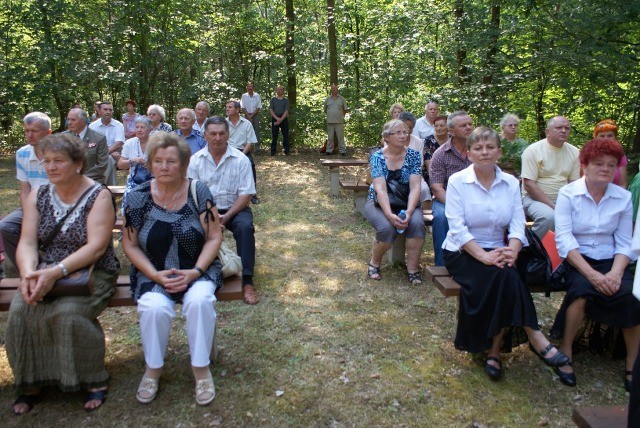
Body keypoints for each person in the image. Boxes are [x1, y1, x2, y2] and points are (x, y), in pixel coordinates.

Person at [443, 126, 569, 381]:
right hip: (461, 251)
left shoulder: (511, 182)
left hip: (499, 249)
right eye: (478, 148)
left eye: (490, 147)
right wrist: (485, 256)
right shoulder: (458, 182)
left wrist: (512, 250)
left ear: (499, 152)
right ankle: (532, 336)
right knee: (504, 275)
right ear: (469, 154)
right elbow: (457, 229)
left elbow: (516, 223)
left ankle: (495, 352)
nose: (484, 152)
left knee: (506, 272)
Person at [5, 133, 119, 414]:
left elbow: (96, 247)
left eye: (58, 161)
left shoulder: (99, 195)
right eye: (47, 161)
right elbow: (28, 241)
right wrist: (30, 273)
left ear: (78, 164)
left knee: (68, 313)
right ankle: (31, 382)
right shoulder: (38, 194)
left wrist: (56, 273)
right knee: (21, 311)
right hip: (46, 269)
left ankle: (93, 379)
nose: (51, 167)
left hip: (92, 272)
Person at [122, 132, 221, 406]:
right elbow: (129, 245)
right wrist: (154, 275)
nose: (164, 167)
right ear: (150, 164)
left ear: (183, 164)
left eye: (171, 161)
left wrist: (196, 272)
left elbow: (214, 237)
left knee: (200, 301)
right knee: (154, 308)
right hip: (153, 271)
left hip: (197, 269)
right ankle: (153, 369)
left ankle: (201, 370)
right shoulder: (137, 198)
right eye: (158, 161)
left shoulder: (198, 191)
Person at [549, 138, 640, 388]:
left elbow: (624, 242)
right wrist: (593, 275)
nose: (606, 169)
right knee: (580, 292)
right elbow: (565, 241)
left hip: (611, 261)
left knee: (632, 296)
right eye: (599, 163)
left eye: (612, 165)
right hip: (577, 260)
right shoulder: (568, 194)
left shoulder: (622, 197)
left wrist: (616, 273)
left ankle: (633, 363)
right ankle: (566, 350)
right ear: (584, 166)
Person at [188, 117, 259, 305]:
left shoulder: (241, 159)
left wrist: (226, 217)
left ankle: (247, 281)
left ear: (228, 135)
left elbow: (246, 195)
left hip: (234, 208)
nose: (217, 138)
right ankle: (197, 272)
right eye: (213, 133)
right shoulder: (195, 161)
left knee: (245, 227)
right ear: (205, 135)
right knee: (188, 228)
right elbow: (190, 193)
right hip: (203, 211)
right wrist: (208, 215)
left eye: (222, 133)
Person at [365, 119, 425, 284]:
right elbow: (381, 189)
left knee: (417, 224)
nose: (403, 135)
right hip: (379, 201)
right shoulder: (377, 157)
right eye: (398, 132)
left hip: (408, 201)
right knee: (386, 228)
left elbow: (415, 187)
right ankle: (374, 263)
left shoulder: (413, 155)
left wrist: (410, 212)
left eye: (405, 132)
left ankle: (413, 269)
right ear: (387, 137)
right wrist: (390, 215)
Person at [0, 112, 52, 270]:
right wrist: (30, 214)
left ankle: (52, 265)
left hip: (58, 206)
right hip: (32, 205)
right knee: (5, 226)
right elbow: (24, 189)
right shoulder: (22, 153)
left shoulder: (60, 153)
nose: (29, 135)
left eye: (34, 131)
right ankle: (28, 267)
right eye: (27, 131)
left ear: (48, 133)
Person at [521, 115, 579, 238]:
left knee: (581, 217)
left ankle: (566, 254)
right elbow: (529, 184)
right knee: (549, 217)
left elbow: (574, 184)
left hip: (563, 200)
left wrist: (567, 205)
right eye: (559, 127)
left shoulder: (575, 152)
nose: (563, 130)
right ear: (548, 131)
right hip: (532, 199)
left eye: (567, 128)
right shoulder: (533, 151)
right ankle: (530, 250)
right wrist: (554, 207)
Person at [428, 111, 473, 266]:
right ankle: (442, 265)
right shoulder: (440, 154)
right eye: (463, 125)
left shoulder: (479, 150)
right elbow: (436, 187)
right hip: (446, 199)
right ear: (451, 131)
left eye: (470, 124)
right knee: (441, 217)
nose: (469, 128)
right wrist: (456, 206)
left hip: (476, 198)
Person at [226, 100, 260, 204]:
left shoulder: (247, 123)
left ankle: (252, 194)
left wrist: (241, 155)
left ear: (237, 110)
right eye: (226, 107)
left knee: (250, 164)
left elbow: (250, 142)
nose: (227, 109)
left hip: (243, 151)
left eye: (230, 107)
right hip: (227, 151)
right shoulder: (223, 123)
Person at [65, 108, 109, 184]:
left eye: (73, 120)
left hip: (92, 181)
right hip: (68, 181)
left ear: (83, 121)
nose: (69, 122)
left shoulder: (99, 138)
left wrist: (80, 178)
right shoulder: (63, 138)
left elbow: (102, 165)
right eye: (68, 119)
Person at [118, 115, 153, 206]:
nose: (139, 130)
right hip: (134, 182)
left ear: (149, 129)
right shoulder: (129, 143)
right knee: (132, 198)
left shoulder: (156, 143)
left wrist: (151, 164)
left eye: (142, 127)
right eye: (137, 127)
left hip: (153, 180)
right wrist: (132, 160)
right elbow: (120, 164)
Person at [398, 111, 431, 206]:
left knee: (424, 189)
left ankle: (426, 216)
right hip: (394, 174)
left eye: (410, 127)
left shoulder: (418, 142)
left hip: (414, 174)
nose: (407, 130)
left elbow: (419, 164)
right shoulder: (391, 140)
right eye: (405, 126)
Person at [89, 102, 125, 186]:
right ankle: (110, 190)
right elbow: (90, 145)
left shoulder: (118, 125)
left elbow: (119, 143)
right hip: (98, 154)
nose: (108, 112)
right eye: (105, 109)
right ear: (99, 111)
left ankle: (99, 187)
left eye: (110, 110)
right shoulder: (92, 126)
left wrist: (104, 152)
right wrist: (106, 152)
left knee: (108, 159)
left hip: (115, 155)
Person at [593, 119, 627, 188]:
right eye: (602, 136)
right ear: (596, 138)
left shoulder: (620, 156)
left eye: (610, 135)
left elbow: (622, 184)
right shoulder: (589, 155)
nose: (606, 139)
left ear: (615, 137)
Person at [323, 83, 349, 156]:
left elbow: (345, 110)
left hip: (339, 121)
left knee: (340, 137)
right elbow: (325, 110)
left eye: (335, 88)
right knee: (330, 137)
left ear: (337, 89)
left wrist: (341, 116)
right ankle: (329, 151)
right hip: (330, 121)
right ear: (331, 89)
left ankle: (343, 151)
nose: (334, 90)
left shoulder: (342, 99)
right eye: (332, 88)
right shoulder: (327, 99)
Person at [422, 115, 448, 187]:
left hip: (451, 172)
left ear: (448, 127)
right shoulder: (428, 140)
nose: (438, 128)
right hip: (434, 174)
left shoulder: (453, 139)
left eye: (442, 126)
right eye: (436, 126)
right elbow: (429, 166)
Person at [268, 85, 290, 155]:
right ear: (276, 90)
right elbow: (271, 109)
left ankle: (286, 151)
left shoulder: (286, 100)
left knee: (285, 135)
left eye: (281, 89)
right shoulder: (273, 100)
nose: (279, 91)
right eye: (278, 89)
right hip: (275, 117)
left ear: (283, 91)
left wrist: (281, 119)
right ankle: (273, 151)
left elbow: (287, 110)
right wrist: (277, 118)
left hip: (283, 117)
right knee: (274, 135)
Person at [241, 82, 262, 151]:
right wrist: (248, 116)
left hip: (255, 115)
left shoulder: (257, 95)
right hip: (246, 115)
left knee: (256, 131)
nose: (250, 88)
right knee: (245, 131)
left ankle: (257, 148)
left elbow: (259, 107)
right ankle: (246, 148)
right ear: (246, 88)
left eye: (251, 86)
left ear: (253, 88)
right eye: (248, 86)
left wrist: (252, 116)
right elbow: (242, 107)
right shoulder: (244, 96)